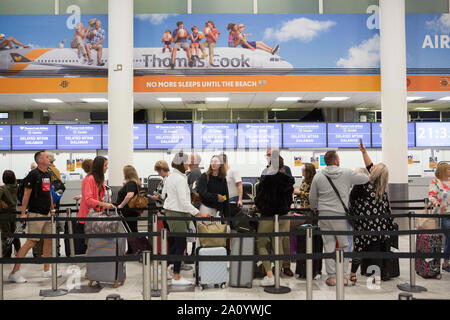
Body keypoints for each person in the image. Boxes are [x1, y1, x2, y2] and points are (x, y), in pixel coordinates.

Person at [309, 150, 369, 287]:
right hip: (341, 216)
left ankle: (331, 277)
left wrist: (315, 208)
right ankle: (343, 276)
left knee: (328, 245)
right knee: (344, 246)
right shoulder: (346, 173)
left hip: (324, 215)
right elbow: (365, 179)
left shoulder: (318, 177)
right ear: (336, 160)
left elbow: (312, 198)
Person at [348, 145, 395, 286]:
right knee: (377, 249)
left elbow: (352, 199)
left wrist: (354, 214)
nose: (372, 167)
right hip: (379, 224)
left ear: (376, 172)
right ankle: (378, 277)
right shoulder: (381, 186)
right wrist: (364, 152)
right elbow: (370, 165)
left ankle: (353, 274)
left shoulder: (363, 184)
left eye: (375, 167)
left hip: (363, 222)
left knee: (359, 248)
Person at [162, 151, 210, 285]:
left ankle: (166, 267)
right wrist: (199, 213)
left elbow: (165, 194)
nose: (189, 163)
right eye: (187, 161)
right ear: (181, 163)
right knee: (180, 244)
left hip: (175, 212)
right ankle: (176, 276)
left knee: (177, 244)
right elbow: (184, 202)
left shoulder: (175, 176)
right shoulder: (178, 179)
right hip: (177, 213)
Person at [8, 151, 56, 283]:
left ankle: (47, 269)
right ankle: (14, 272)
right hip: (36, 213)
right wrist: (23, 213)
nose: (49, 158)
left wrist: (52, 209)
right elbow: (26, 195)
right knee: (31, 242)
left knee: (49, 240)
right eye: (47, 157)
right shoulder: (33, 174)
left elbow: (49, 193)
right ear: (40, 160)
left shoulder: (47, 174)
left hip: (47, 214)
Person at [254, 154, 295, 286]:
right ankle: (278, 276)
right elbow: (290, 199)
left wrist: (258, 205)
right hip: (283, 215)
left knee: (261, 243)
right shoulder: (288, 180)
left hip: (268, 215)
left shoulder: (266, 180)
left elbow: (259, 199)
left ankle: (270, 275)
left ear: (271, 164)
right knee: (278, 244)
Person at [79, 156, 115, 227]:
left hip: (97, 214)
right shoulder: (90, 179)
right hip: (88, 216)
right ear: (99, 166)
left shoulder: (98, 179)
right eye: (105, 165)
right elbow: (88, 199)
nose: (107, 168)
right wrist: (105, 204)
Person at [428, 162, 450, 272]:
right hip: (443, 214)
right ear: (443, 171)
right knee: (449, 235)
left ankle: (446, 262)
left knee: (448, 239)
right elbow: (431, 195)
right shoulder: (435, 182)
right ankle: (446, 262)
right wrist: (435, 202)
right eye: (448, 169)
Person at [116, 165, 141, 254]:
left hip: (128, 212)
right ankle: (133, 249)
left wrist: (121, 205)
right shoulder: (134, 183)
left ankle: (135, 250)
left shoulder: (131, 183)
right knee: (131, 230)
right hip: (131, 212)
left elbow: (130, 195)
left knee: (131, 230)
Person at [197, 155, 230, 220]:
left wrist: (227, 218)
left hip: (218, 211)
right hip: (206, 209)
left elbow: (226, 196)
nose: (213, 163)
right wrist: (216, 197)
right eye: (212, 161)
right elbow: (203, 193)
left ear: (220, 165)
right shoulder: (204, 177)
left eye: (216, 162)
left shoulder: (222, 179)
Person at [0, 170, 21, 257]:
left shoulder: (3, 189)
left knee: (6, 234)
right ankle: (19, 252)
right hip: (13, 212)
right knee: (14, 232)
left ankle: (6, 253)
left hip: (4, 214)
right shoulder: (17, 187)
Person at [222, 153, 242, 231]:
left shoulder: (233, 171)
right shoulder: (222, 173)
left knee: (233, 226)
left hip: (233, 202)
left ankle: (232, 243)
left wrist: (240, 199)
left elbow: (239, 185)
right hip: (224, 202)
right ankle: (226, 243)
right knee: (225, 226)